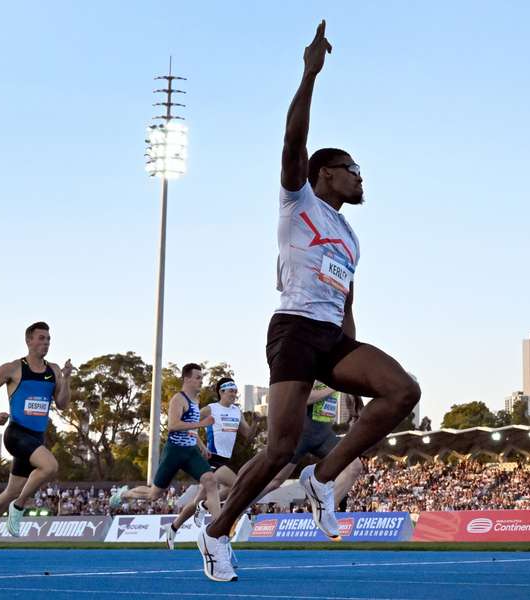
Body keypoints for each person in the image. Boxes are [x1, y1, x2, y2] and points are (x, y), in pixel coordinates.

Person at [197, 20, 420, 582]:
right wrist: (309, 74)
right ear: (327, 173)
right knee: (278, 451)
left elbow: (346, 300)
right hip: (294, 329)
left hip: (332, 337)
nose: (361, 178)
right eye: (353, 170)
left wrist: (350, 361)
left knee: (402, 391)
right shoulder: (298, 201)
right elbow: (293, 140)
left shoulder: (351, 236)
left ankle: (323, 480)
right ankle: (216, 533)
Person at [0, 321, 72, 559]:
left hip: (36, 437)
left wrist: (66, 379)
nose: (45, 342)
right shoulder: (13, 368)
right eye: (41, 338)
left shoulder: (54, 370)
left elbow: (63, 404)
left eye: (48, 339)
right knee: (50, 466)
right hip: (16, 434)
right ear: (29, 340)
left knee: (10, 491)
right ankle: (20, 506)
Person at [110, 364, 222, 529]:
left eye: (202, 378)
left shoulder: (196, 400)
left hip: (190, 452)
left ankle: (219, 528)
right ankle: (124, 494)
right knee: (154, 494)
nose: (201, 381)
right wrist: (202, 423)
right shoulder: (178, 399)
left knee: (210, 481)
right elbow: (173, 425)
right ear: (187, 379)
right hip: (174, 452)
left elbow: (190, 427)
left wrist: (202, 446)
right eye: (198, 377)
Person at [164, 377, 257, 550]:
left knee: (198, 500)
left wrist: (256, 423)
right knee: (238, 485)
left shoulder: (237, 411)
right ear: (221, 392)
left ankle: (174, 527)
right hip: (211, 458)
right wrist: (202, 447)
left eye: (236, 391)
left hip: (225, 459)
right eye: (231, 391)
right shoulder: (210, 409)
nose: (234, 394)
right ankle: (232, 519)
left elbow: (248, 435)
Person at [255, 382, 363, 510]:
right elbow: (304, 398)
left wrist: (355, 409)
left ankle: (325, 512)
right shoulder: (310, 368)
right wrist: (332, 387)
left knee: (354, 467)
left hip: (324, 435)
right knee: (274, 482)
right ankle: (236, 508)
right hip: (301, 435)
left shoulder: (336, 373)